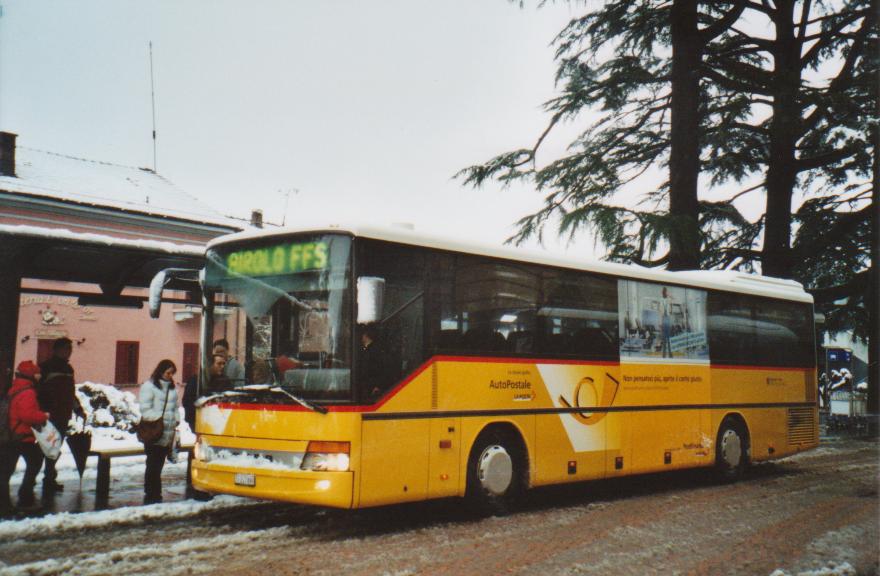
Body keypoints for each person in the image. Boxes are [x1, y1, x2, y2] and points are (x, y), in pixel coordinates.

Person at [1, 361, 49, 517]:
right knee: (35, 462)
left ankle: (5, 504)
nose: (39, 376)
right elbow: (27, 415)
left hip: (10, 435)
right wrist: (44, 416)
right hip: (22, 436)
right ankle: (24, 498)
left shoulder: (14, 388)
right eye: (37, 373)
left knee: (6, 471)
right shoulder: (28, 392)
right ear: (30, 375)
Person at [38, 337, 78, 494]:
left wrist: (78, 408)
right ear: (56, 350)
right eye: (65, 348)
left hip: (63, 414)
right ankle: (41, 480)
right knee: (47, 448)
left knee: (55, 448)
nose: (68, 352)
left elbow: (71, 392)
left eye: (70, 349)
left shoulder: (69, 369)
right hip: (49, 415)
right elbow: (39, 391)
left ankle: (49, 478)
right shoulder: (46, 367)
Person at [182, 355, 225, 501]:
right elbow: (188, 401)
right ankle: (194, 483)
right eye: (219, 364)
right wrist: (195, 420)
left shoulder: (221, 380)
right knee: (199, 451)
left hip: (216, 422)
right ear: (210, 365)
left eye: (223, 364)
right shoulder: (197, 380)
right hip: (200, 421)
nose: (222, 367)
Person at [138, 359, 180, 505]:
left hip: (167, 433)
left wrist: (176, 419)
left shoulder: (172, 389)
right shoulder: (149, 386)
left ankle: (155, 493)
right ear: (161, 371)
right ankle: (152, 493)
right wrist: (159, 420)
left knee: (159, 464)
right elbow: (145, 409)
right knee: (152, 464)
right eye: (168, 373)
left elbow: (175, 408)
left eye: (172, 373)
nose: (170, 376)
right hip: (154, 431)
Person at [358, 323, 391, 399]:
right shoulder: (371, 349)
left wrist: (378, 386)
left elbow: (381, 368)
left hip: (372, 386)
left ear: (365, 336)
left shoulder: (373, 351)